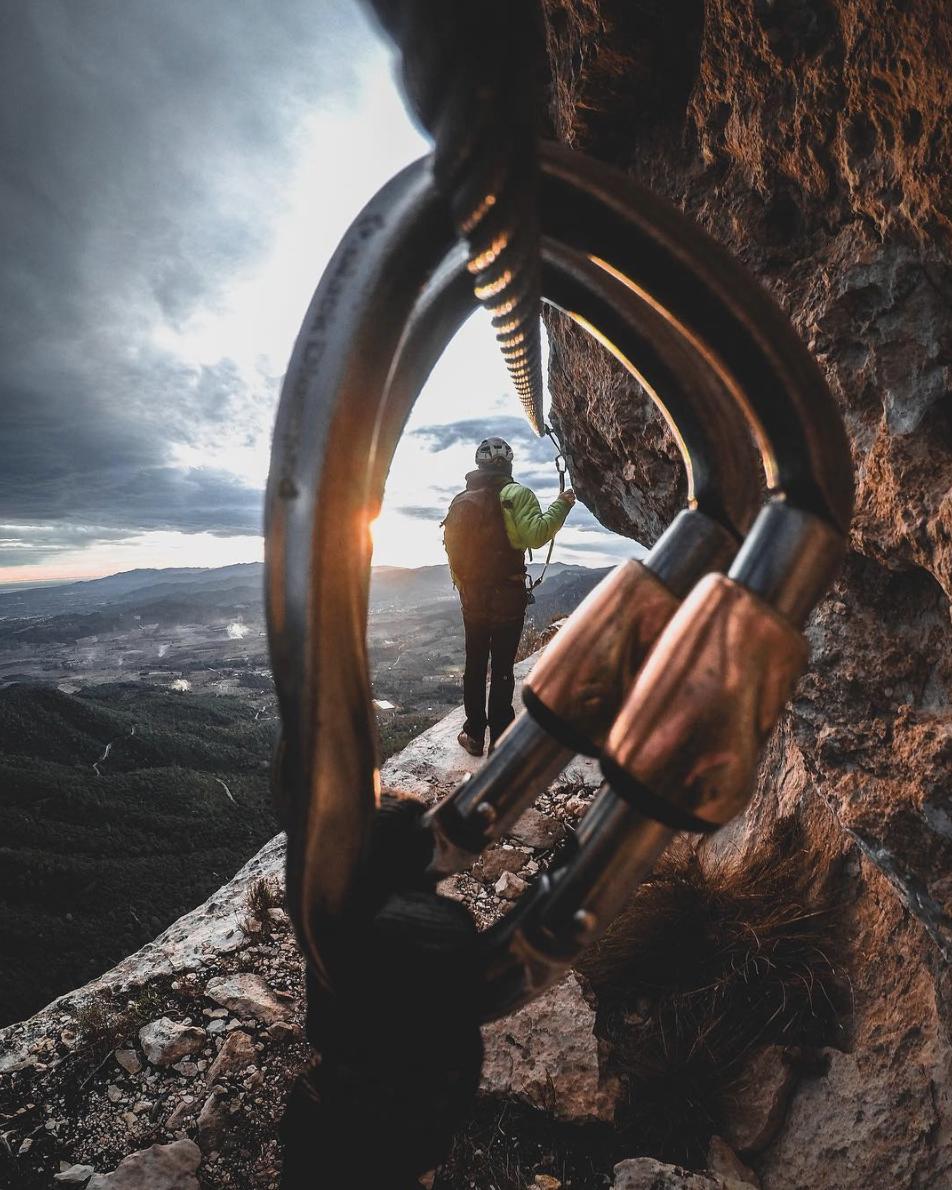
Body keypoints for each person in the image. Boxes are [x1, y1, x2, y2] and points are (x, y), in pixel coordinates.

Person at [443, 435, 576, 757]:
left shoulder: (461, 500)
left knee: (475, 664)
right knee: (502, 667)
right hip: (507, 594)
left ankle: (474, 734)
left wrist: (464, 586)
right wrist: (563, 504)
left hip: (472, 596)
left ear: (479, 464)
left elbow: (452, 551)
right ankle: (501, 741)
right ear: (508, 464)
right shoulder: (517, 494)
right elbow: (537, 534)